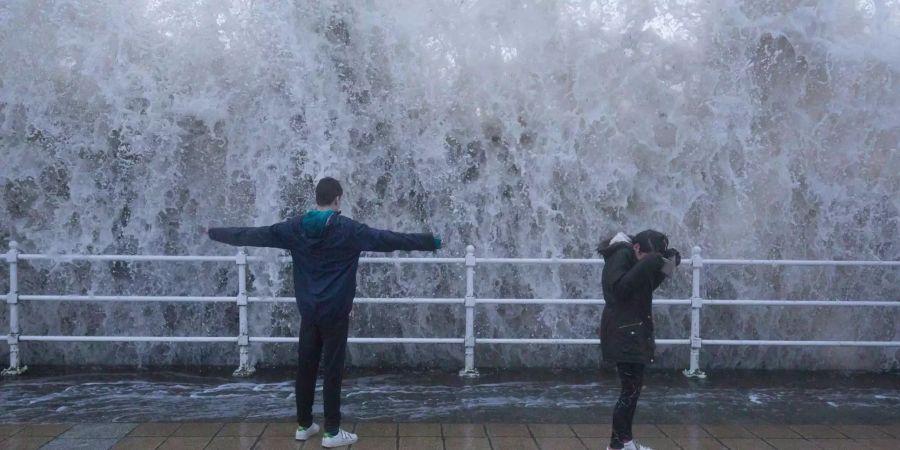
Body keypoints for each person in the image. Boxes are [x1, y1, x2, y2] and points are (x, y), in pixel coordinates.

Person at [207, 177, 441, 448]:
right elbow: (389, 239)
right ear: (338, 199)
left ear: (316, 198)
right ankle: (332, 431)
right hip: (336, 312)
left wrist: (215, 232)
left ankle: (304, 425)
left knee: (305, 367)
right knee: (332, 369)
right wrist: (431, 241)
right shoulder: (348, 230)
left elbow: (253, 234)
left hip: (309, 311)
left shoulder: (294, 228)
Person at [597, 230, 681, 450]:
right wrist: (650, 262)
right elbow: (618, 290)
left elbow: (647, 283)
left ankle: (623, 442)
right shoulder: (620, 255)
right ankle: (619, 444)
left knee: (632, 390)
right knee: (629, 390)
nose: (647, 263)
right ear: (636, 248)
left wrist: (668, 264)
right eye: (647, 258)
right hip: (623, 332)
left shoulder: (633, 259)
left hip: (632, 331)